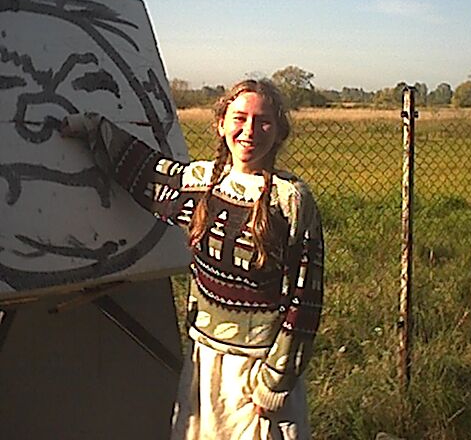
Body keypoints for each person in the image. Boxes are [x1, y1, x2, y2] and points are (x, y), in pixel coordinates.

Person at [62, 78, 324, 440]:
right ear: (221, 124)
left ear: (279, 131)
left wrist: (275, 381)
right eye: (239, 118)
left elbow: (305, 298)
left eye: (263, 121)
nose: (249, 130)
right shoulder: (201, 182)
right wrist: (93, 128)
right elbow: (148, 172)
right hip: (205, 357)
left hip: (258, 369)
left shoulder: (291, 199)